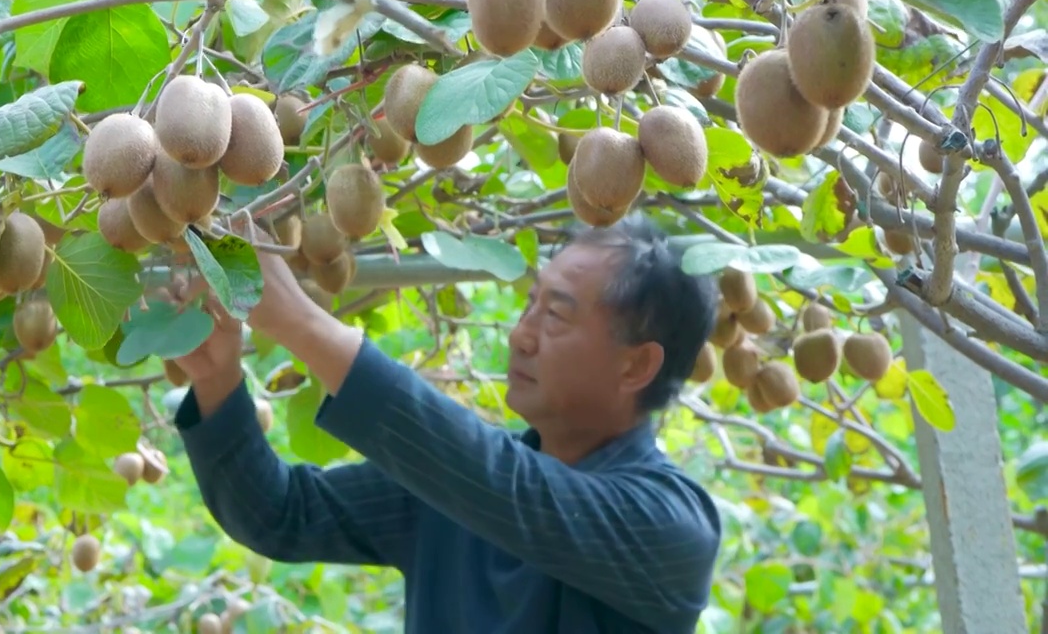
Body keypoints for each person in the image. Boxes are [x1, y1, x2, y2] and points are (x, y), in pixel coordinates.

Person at [171, 213, 723, 633]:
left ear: (636, 365)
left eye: (554, 314)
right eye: (529, 305)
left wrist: (302, 323)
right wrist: (217, 379)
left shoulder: (673, 529)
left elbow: (509, 490)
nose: (520, 335)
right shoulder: (452, 489)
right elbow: (281, 512)